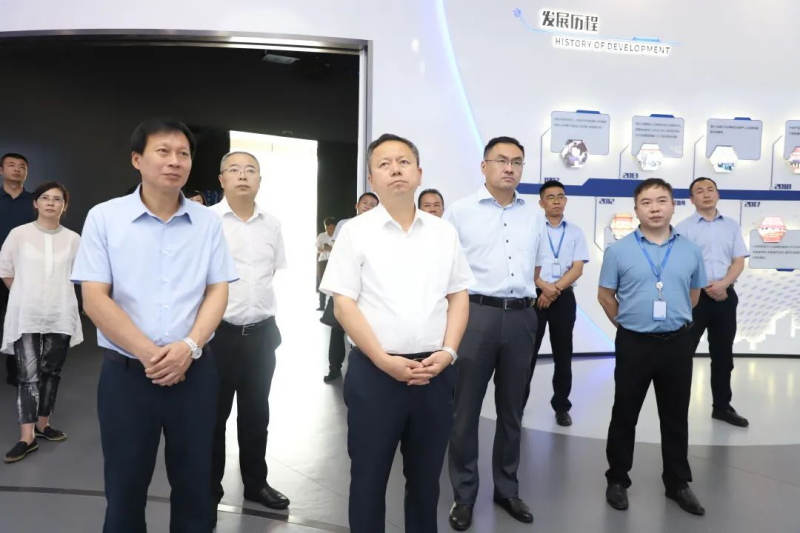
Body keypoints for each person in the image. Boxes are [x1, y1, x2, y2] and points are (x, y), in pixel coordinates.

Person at [71, 119, 238, 532]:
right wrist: (152, 355)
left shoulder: (207, 222)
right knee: (125, 487)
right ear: (137, 159)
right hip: (127, 375)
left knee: (197, 486)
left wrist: (189, 348)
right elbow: (95, 298)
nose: (175, 161)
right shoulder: (105, 218)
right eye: (163, 151)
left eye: (183, 153)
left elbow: (217, 291)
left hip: (195, 373)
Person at [321, 133, 473, 533]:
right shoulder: (355, 232)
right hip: (375, 374)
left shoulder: (443, 233)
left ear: (419, 173)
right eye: (384, 164)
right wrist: (383, 360)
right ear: (372, 178)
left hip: (434, 374)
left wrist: (449, 352)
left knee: (426, 483)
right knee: (368, 480)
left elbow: (459, 295)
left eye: (403, 162)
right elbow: (344, 304)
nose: (395, 170)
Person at [446, 136, 543, 530]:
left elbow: (536, 266)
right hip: (476, 315)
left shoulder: (533, 215)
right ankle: (464, 495)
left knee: (512, 411)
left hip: (521, 317)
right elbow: (447, 272)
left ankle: (507, 489)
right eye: (501, 160)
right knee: (465, 411)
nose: (509, 168)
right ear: (484, 166)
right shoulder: (460, 212)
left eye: (517, 162)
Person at [598, 178, 707, 516]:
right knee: (624, 412)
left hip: (677, 343)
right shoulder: (618, 251)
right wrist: (627, 325)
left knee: (675, 416)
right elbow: (605, 296)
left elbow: (694, 295)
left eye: (662, 201)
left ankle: (677, 482)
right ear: (636, 210)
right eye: (646, 202)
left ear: (674, 206)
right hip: (634, 344)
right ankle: (618, 478)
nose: (655, 208)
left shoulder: (690, 250)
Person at [209, 151, 290, 521]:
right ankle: (209, 488)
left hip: (261, 335)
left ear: (259, 179)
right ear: (222, 179)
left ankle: (256, 483)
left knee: (257, 415)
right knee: (213, 417)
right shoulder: (206, 222)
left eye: (250, 170)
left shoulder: (272, 224)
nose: (243, 175)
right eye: (234, 169)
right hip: (217, 337)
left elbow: (271, 271)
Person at [1, 181, 82, 463]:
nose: (50, 202)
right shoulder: (19, 234)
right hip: (26, 314)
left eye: (57, 199)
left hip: (60, 312)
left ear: (64, 206)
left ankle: (43, 424)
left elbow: (80, 274)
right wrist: (28, 295)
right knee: (27, 375)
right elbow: (6, 270)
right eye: (45, 198)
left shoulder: (73, 239)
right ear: (35, 203)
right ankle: (27, 437)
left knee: (52, 371)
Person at [675, 177, 749, 427]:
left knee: (723, 355)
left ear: (718, 194)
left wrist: (724, 284)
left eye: (710, 190)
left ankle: (722, 407)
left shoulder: (731, 225)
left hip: (725, 296)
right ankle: (677, 408)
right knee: (683, 354)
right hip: (694, 298)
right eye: (699, 191)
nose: (706, 194)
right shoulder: (683, 228)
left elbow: (738, 260)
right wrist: (705, 286)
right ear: (691, 199)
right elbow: (680, 264)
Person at [526, 180, 589, 426]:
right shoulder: (532, 229)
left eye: (560, 196)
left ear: (566, 200)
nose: (556, 201)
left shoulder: (575, 232)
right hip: (535, 295)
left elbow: (578, 268)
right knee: (528, 354)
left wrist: (554, 290)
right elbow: (524, 264)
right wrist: (543, 286)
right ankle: (517, 404)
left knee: (563, 354)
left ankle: (561, 406)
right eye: (550, 197)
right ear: (541, 203)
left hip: (563, 297)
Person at [324, 193, 379, 383]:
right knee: (338, 328)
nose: (368, 206)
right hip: (345, 284)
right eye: (365, 203)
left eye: (373, 204)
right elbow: (336, 252)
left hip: (368, 286)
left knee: (365, 329)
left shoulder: (379, 227)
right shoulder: (345, 224)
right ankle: (334, 368)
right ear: (357, 205)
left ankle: (368, 370)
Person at [0, 153, 36, 386]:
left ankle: (16, 371)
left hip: (23, 271)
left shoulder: (35, 202)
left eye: (22, 166)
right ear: (1, 170)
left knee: (20, 322)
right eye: (11, 165)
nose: (17, 169)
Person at [316, 217, 336, 310]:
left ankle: (332, 307)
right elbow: (317, 249)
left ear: (335, 227)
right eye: (327, 228)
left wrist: (331, 249)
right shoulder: (321, 235)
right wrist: (322, 249)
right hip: (323, 260)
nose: (329, 230)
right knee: (322, 283)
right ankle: (321, 305)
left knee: (334, 283)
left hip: (334, 261)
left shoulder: (339, 236)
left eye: (331, 228)